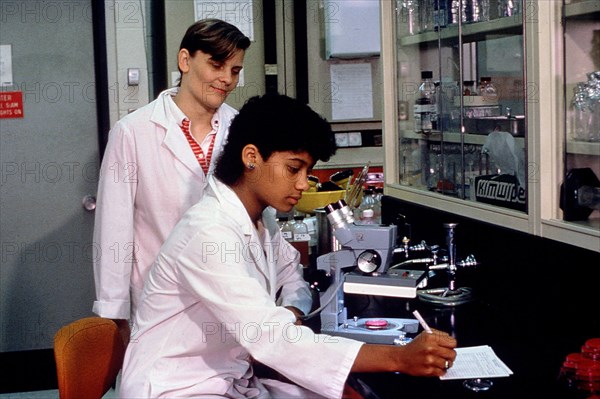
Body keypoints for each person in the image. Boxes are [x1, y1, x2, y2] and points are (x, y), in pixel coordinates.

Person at [119, 93, 458, 398]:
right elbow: (270, 338)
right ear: (251, 157)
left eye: (307, 171)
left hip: (228, 380)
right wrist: (398, 357)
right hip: (176, 387)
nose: (301, 184)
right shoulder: (207, 233)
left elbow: (293, 276)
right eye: (293, 168)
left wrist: (291, 312)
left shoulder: (258, 219)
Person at [91, 19, 251, 343]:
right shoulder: (132, 133)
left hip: (232, 305)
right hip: (161, 307)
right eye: (216, 64)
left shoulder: (243, 130)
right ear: (185, 60)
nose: (226, 79)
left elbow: (260, 222)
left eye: (234, 71)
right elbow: (113, 233)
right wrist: (114, 313)